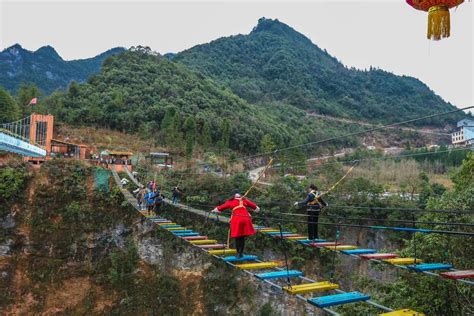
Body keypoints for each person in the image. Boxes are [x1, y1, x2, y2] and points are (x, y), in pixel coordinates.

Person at [211, 192, 260, 258]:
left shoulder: (230, 201)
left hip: (237, 219)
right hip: (246, 219)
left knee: (237, 237)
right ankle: (241, 253)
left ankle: (238, 253)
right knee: (242, 237)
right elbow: (256, 208)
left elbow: (220, 208)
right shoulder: (244, 200)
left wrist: (214, 210)